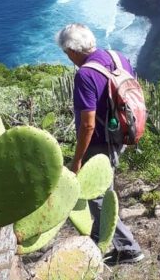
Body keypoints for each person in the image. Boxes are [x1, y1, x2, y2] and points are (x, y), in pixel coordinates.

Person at [56, 22, 144, 266]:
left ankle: (128, 249)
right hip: (121, 135)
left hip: (99, 142)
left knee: (97, 197)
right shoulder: (118, 57)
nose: (68, 57)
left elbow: (87, 124)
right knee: (107, 190)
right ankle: (99, 236)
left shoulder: (85, 74)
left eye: (66, 53)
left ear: (73, 50)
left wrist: (77, 160)